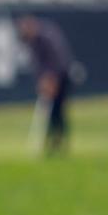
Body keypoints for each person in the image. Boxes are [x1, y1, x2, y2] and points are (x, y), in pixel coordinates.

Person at [17, 15, 75, 156]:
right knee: (49, 114)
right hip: (47, 80)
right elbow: (37, 65)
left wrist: (52, 79)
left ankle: (60, 143)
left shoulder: (47, 37)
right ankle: (50, 143)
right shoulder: (33, 42)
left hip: (61, 78)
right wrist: (42, 81)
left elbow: (59, 60)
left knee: (58, 112)